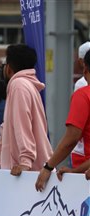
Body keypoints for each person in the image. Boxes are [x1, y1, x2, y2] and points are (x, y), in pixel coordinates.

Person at [0, 44, 52, 175]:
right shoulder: (26, 86)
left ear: (9, 68)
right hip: (27, 171)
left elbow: (22, 124)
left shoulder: (19, 86)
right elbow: (6, 129)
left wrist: (25, 162)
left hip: (28, 174)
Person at [35, 49, 90, 191]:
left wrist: (48, 167)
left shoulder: (83, 95)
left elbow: (71, 138)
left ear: (85, 70)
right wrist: (75, 171)